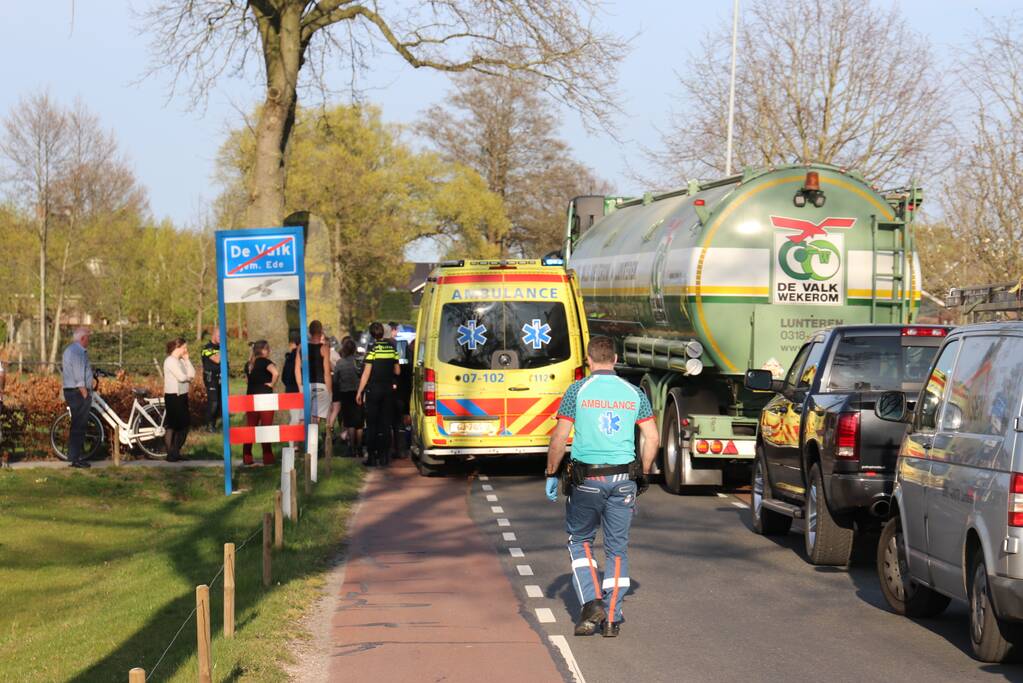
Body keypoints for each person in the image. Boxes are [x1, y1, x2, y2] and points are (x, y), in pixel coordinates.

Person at [544, 335, 660, 638]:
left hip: (588, 480)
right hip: (624, 480)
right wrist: (644, 473)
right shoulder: (634, 393)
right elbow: (653, 437)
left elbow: (559, 438)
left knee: (580, 540)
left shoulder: (577, 391)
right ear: (616, 359)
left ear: (588, 360)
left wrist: (550, 473)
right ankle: (610, 618)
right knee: (617, 549)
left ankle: (592, 601)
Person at [356, 322, 400, 467]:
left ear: (372, 334)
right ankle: (385, 456)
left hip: (374, 390)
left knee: (372, 423)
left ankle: (372, 456)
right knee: (385, 423)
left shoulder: (372, 349)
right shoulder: (393, 349)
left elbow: (366, 373)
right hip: (388, 390)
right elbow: (397, 371)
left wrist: (359, 391)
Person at [61, 327, 96, 469]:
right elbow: (78, 375)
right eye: (88, 337)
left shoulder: (71, 349)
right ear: (82, 338)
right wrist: (85, 393)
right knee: (79, 426)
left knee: (77, 425)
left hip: (73, 391)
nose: (89, 340)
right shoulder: (77, 351)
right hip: (77, 392)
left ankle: (74, 456)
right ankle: (76, 459)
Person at [297, 320, 332, 449]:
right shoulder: (324, 348)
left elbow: (297, 368)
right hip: (320, 385)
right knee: (315, 419)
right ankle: (313, 447)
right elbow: (327, 371)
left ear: (310, 332)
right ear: (321, 331)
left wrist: (300, 385)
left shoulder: (302, 347)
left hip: (306, 385)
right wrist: (330, 391)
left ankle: (298, 446)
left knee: (302, 417)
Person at [243, 340, 279, 466]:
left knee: (250, 428)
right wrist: (272, 384)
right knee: (266, 428)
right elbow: (276, 373)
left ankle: (247, 456)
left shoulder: (249, 364)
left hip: (251, 398)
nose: (269, 351)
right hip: (265, 398)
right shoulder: (266, 362)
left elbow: (247, 381)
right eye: (268, 349)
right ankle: (267, 457)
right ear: (263, 350)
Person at [163, 337, 196, 462]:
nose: (186, 350)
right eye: (184, 348)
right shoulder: (170, 361)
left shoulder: (181, 360)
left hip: (182, 395)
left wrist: (187, 360)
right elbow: (182, 377)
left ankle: (176, 451)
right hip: (173, 396)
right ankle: (170, 453)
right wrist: (188, 378)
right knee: (173, 424)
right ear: (178, 347)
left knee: (184, 424)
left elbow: (192, 373)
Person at [333, 337, 364, 457]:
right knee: (360, 422)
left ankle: (351, 447)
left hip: (345, 393)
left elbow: (335, 379)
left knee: (349, 421)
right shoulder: (359, 361)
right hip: (359, 393)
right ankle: (360, 447)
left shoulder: (340, 363)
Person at [389, 322, 414, 458]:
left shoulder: (377, 346)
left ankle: (392, 449)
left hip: (391, 388)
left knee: (393, 421)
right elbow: (404, 370)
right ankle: (401, 449)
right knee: (400, 421)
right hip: (401, 389)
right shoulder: (400, 346)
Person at [201, 328, 222, 432]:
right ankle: (209, 425)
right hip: (211, 378)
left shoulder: (220, 347)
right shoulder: (207, 348)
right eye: (219, 336)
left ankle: (214, 425)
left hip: (220, 378)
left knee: (220, 403)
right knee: (213, 402)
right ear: (213, 335)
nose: (221, 339)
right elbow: (217, 360)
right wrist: (223, 351)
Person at [282, 333, 302, 426]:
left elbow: (283, 377)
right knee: (301, 418)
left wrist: (289, 385)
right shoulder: (302, 356)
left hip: (290, 390)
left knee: (295, 417)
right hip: (300, 389)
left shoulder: (288, 357)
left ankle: (293, 440)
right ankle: (302, 439)